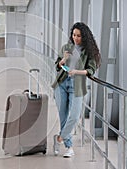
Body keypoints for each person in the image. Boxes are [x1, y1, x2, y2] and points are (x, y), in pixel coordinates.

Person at [52, 22, 101, 157]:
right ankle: (69, 147)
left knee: (74, 116)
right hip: (61, 83)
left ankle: (59, 139)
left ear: (84, 37)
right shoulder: (66, 47)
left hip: (77, 85)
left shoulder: (90, 51)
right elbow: (57, 65)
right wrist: (63, 60)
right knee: (63, 116)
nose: (75, 38)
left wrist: (76, 72)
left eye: (79, 36)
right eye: (74, 35)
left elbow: (90, 70)